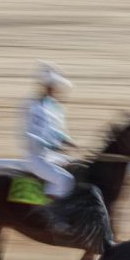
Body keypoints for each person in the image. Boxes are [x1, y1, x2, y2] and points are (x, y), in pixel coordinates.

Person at [21, 61, 79, 233]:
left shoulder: (54, 107)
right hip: (37, 156)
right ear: (47, 86)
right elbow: (33, 135)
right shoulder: (34, 107)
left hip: (52, 155)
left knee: (79, 169)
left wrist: (68, 141)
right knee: (65, 180)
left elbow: (56, 131)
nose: (57, 90)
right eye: (54, 87)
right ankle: (52, 217)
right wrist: (54, 144)